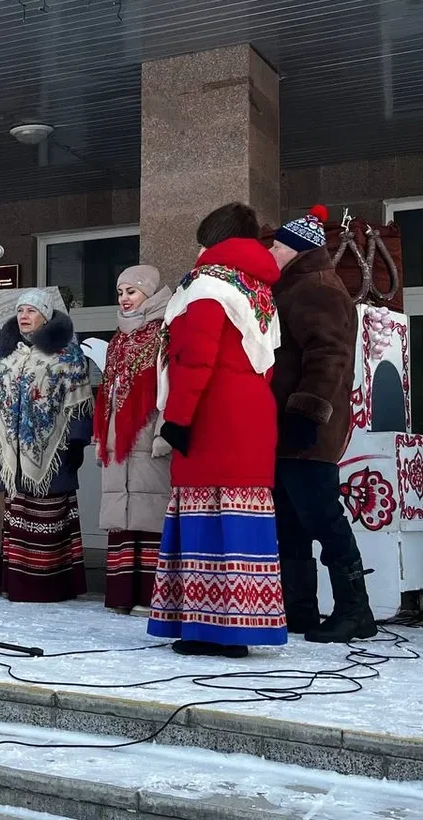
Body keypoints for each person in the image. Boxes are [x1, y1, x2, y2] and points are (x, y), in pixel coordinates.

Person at [150, 202, 288, 657]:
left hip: (213, 413)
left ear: (214, 240)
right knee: (242, 519)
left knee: (205, 517)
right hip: (252, 412)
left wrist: (178, 418)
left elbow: (195, 358)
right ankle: (241, 628)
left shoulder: (207, 286)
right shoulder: (255, 288)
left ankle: (207, 628)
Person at [268, 205, 374, 642]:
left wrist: (305, 413)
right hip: (289, 429)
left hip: (308, 430)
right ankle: (300, 610)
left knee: (321, 517)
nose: (269, 251)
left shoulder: (317, 288)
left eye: (275, 245)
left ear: (295, 250)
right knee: (291, 521)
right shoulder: (295, 286)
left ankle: (355, 610)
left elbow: (329, 358)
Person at [0, 289, 93, 602]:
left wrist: (76, 443)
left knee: (49, 516)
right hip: (15, 450)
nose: (24, 316)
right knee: (19, 515)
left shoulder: (65, 354)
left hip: (55, 449)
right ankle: (18, 584)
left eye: (31, 311)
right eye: (20, 311)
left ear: (45, 316)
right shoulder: (7, 355)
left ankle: (49, 586)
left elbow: (80, 402)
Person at [94, 266, 173, 614]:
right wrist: (103, 437)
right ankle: (123, 593)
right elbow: (108, 394)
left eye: (132, 292)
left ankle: (149, 594)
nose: (125, 299)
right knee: (122, 515)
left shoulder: (163, 334)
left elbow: (170, 388)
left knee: (149, 510)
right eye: (120, 292)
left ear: (149, 293)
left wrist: (164, 432)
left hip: (147, 431)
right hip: (117, 436)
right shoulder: (118, 339)